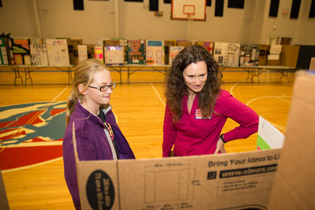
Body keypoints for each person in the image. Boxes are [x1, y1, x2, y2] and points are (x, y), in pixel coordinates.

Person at [63, 59, 135, 209]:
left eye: (110, 85)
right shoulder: (79, 131)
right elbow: (81, 188)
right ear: (83, 89)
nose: (110, 91)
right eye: (103, 87)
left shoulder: (105, 113)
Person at [163, 44, 259, 157]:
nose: (198, 82)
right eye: (191, 76)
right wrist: (165, 159)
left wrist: (224, 138)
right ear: (180, 75)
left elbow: (254, 123)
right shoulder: (174, 95)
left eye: (202, 75)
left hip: (206, 164)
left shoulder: (220, 99)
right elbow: (169, 129)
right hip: (179, 160)